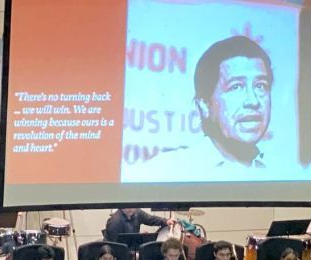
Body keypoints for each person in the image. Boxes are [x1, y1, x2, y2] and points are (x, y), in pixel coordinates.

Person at [143, 36, 274, 180]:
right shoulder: (167, 170)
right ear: (205, 105)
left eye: (260, 86)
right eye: (236, 87)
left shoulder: (283, 173)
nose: (253, 101)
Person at [104, 208, 174, 243]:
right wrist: (138, 238)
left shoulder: (137, 213)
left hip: (131, 247)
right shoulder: (114, 221)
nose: (130, 209)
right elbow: (114, 244)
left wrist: (165, 221)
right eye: (127, 206)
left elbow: (150, 219)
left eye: (133, 206)